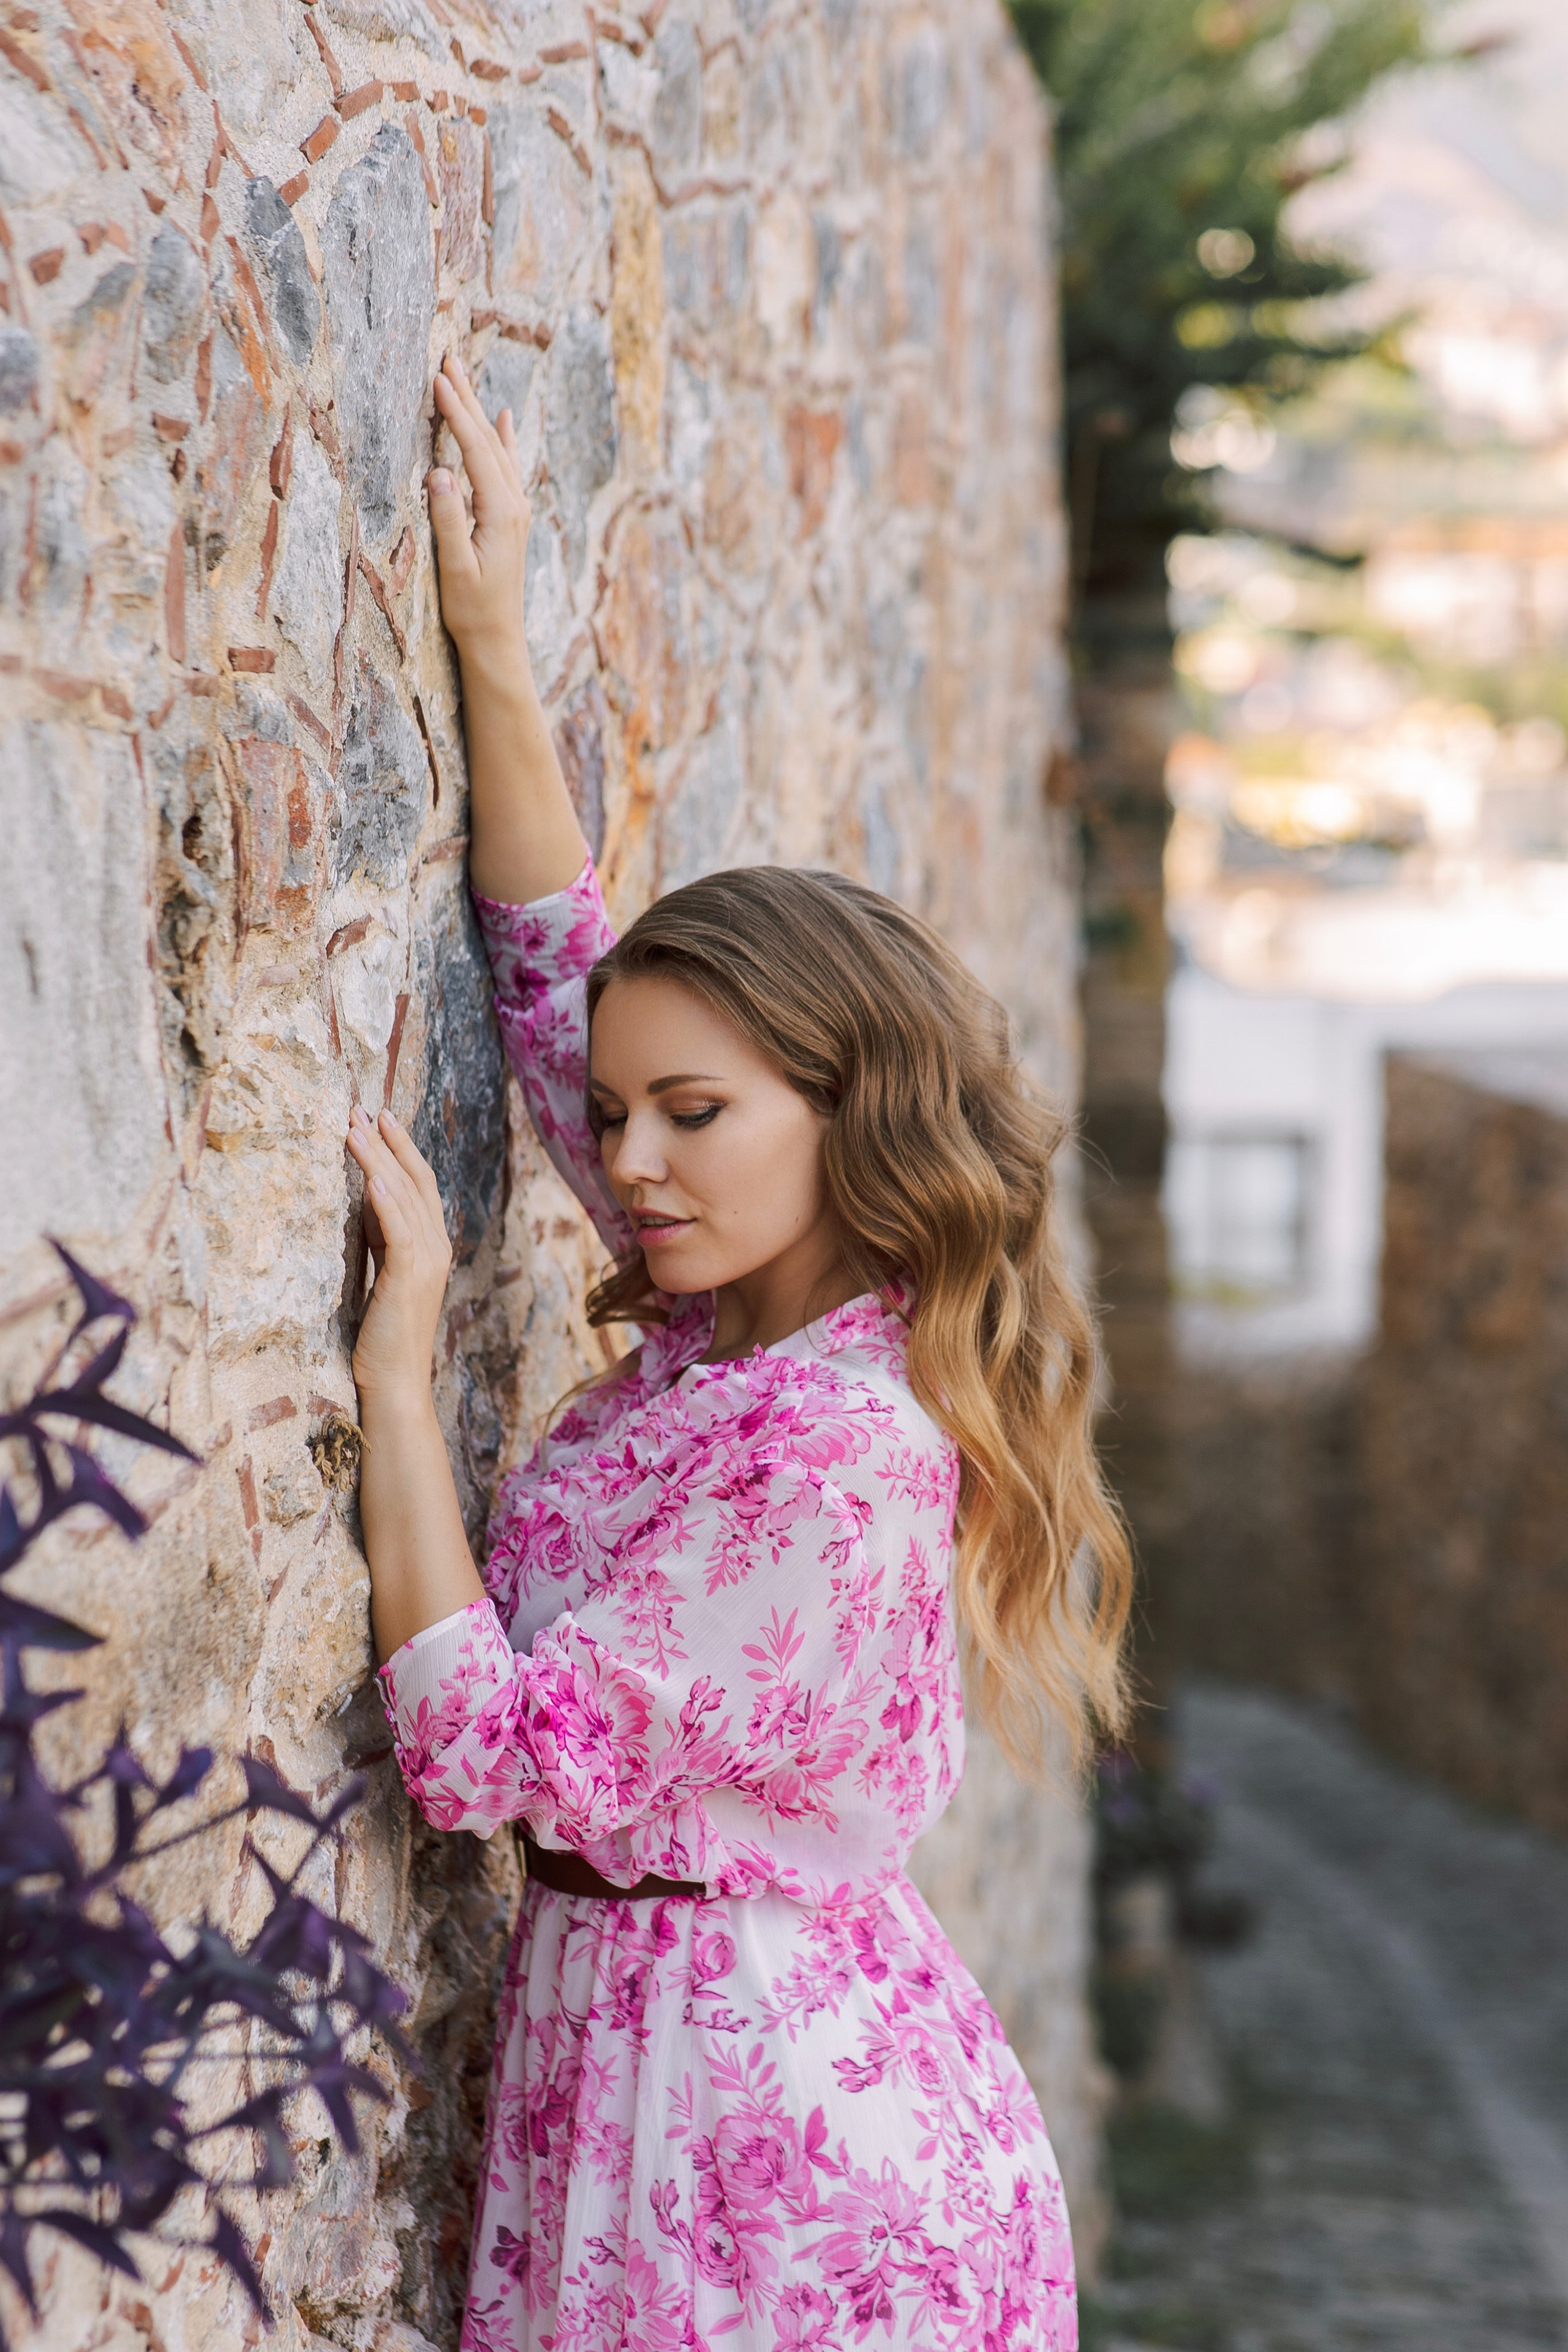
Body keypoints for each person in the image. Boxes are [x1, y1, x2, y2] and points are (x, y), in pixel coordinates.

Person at [345, 354, 1133, 2352]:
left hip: (769, 2151)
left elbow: (480, 1754)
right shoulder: (731, 1311)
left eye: (694, 1116)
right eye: (625, 1121)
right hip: (666, 2060)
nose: (629, 1161)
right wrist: (493, 644)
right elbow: (555, 989)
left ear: (840, 1112)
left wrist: (399, 1364)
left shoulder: (834, 1445)